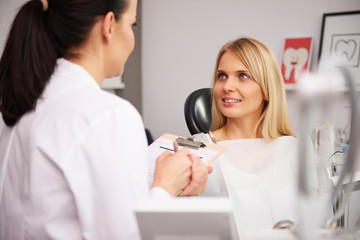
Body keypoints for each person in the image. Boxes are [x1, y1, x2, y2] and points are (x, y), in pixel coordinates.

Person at [0, 0, 210, 239]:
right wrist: (165, 189)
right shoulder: (109, 115)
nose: (132, 37)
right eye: (132, 23)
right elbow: (127, 235)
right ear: (109, 25)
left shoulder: (26, 104)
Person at [193, 37, 318, 238]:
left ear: (267, 89)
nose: (227, 86)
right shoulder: (199, 150)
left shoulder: (297, 148)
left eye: (242, 76)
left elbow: (315, 221)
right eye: (222, 76)